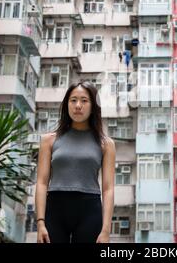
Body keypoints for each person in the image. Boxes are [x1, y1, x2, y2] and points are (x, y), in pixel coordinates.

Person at [35, 81, 116, 243]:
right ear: (66, 105)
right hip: (55, 210)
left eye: (84, 100)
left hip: (89, 211)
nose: (78, 105)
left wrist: (106, 230)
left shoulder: (106, 144)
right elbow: (42, 183)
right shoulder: (48, 141)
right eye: (73, 100)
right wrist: (40, 223)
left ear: (93, 106)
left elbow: (108, 189)